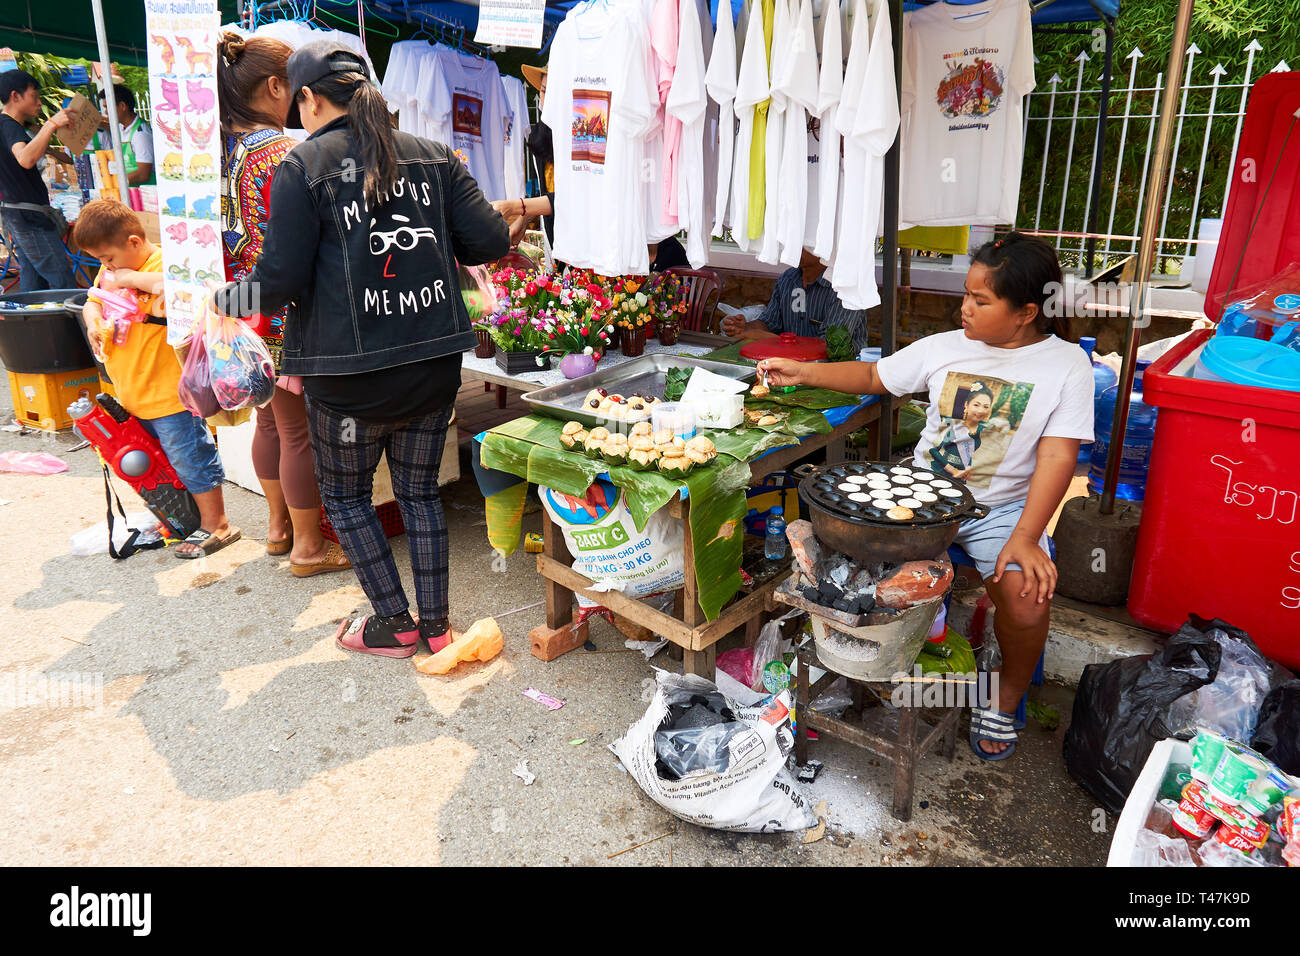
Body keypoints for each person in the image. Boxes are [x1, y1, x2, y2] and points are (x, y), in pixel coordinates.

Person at [212, 40, 509, 659]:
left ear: (309, 99)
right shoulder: (436, 157)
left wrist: (222, 302)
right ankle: (437, 629)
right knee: (421, 494)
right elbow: (487, 242)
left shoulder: (303, 166)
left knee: (347, 500)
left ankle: (395, 623)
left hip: (348, 380)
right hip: (432, 366)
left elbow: (280, 282)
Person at [758, 233, 1094, 762]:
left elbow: (1057, 457)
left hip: (999, 512)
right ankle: (854, 667)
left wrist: (1027, 538)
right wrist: (802, 371)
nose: (964, 307)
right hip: (917, 500)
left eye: (981, 301)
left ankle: (1003, 696)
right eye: (966, 293)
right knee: (846, 575)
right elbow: (874, 375)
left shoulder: (1066, 366)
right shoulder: (945, 347)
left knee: (1028, 598)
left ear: (1028, 311)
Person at [216, 31, 350, 579]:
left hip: (245, 308)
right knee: (299, 434)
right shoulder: (281, 151)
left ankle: (278, 529)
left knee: (270, 425)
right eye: (294, 91)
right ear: (275, 87)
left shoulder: (227, 151)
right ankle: (310, 549)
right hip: (285, 308)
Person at [75, 199, 239, 558]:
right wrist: (92, 323)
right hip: (132, 391)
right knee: (158, 464)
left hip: (169, 393)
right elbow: (93, 300)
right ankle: (184, 520)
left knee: (191, 458)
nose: (107, 267)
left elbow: (180, 289)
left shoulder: (162, 264)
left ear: (134, 241)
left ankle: (218, 523)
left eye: (108, 258)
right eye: (101, 261)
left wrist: (131, 279)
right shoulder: (110, 273)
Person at [0, 69, 76, 291]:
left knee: (34, 280)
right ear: (16, 96)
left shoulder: (10, 126)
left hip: (20, 213)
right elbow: (25, 158)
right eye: (35, 96)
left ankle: (31, 323)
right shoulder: (8, 126)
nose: (40, 102)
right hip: (28, 217)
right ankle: (69, 325)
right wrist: (51, 125)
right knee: (62, 279)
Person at [721, 248, 869, 351]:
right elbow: (769, 323)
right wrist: (746, 328)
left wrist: (769, 339)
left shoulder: (844, 286)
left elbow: (829, 347)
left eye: (803, 242)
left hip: (839, 375)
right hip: (793, 370)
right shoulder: (788, 279)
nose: (795, 247)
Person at [90, 84, 154, 186]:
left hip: (144, 196)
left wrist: (112, 182)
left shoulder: (141, 134)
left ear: (123, 106)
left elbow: (143, 174)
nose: (105, 112)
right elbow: (107, 125)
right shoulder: (122, 128)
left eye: (107, 107)